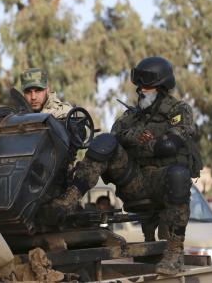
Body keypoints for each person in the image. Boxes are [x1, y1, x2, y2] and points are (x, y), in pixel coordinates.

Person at [51, 56, 202, 275]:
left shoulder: (178, 111)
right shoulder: (131, 117)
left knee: (179, 175)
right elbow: (113, 138)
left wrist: (143, 143)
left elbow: (169, 145)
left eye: (147, 86)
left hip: (163, 179)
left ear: (161, 88)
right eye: (139, 86)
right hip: (135, 181)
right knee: (103, 142)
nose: (141, 90)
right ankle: (68, 200)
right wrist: (139, 137)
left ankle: (174, 252)